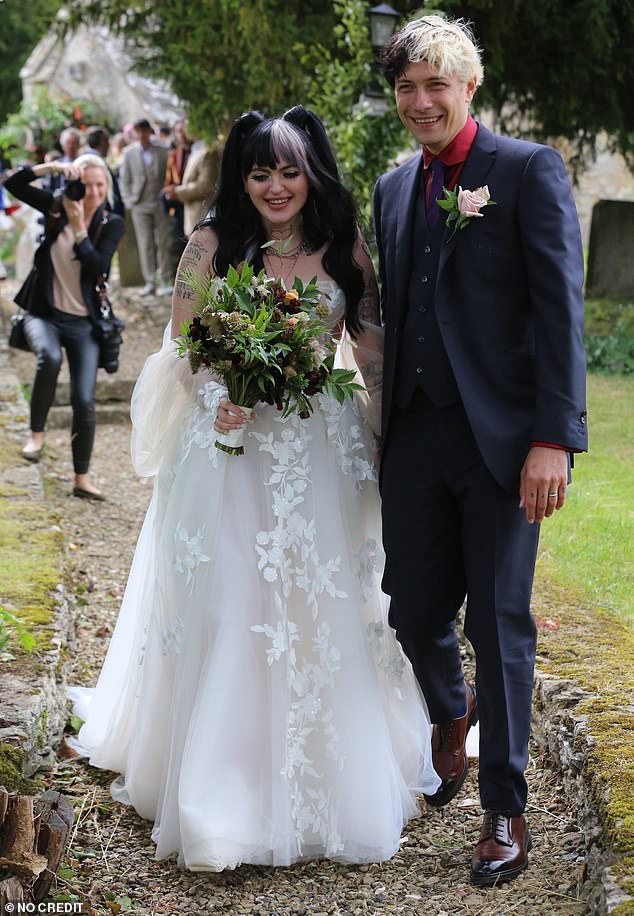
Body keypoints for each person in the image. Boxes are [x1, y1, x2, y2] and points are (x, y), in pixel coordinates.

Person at [68, 106, 441, 872]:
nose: (276, 186)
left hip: (320, 450)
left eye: (291, 170)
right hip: (230, 452)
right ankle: (220, 794)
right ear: (241, 178)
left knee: (323, 605)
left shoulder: (345, 252)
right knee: (234, 604)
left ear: (314, 174)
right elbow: (182, 349)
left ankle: (327, 779)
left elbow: (370, 352)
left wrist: (387, 444)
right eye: (260, 171)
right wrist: (219, 394)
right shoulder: (208, 247)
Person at [374, 15, 588, 886]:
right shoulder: (393, 188)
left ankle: (503, 806)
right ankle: (450, 713)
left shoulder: (526, 170)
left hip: (504, 445)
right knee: (411, 612)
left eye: (437, 86)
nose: (421, 102)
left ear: (469, 89)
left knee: (500, 626)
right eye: (407, 88)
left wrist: (554, 438)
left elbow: (560, 313)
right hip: (414, 438)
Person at [3, 154, 125, 499]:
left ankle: (81, 479)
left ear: (107, 188)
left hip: (84, 324)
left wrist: (80, 229)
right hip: (42, 314)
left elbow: (98, 266)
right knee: (50, 358)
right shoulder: (57, 206)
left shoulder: (110, 223)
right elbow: (12, 184)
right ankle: (36, 435)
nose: (93, 192)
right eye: (86, 185)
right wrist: (52, 169)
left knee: (84, 400)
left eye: (100, 185)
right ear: (75, 185)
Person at [119, 118, 173, 297]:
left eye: (145, 130)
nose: (142, 134)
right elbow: (124, 178)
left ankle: (165, 280)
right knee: (145, 243)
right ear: (135, 133)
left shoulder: (162, 150)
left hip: (159, 202)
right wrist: (129, 200)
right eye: (139, 131)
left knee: (163, 242)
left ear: (150, 131)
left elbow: (170, 173)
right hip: (139, 203)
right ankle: (150, 282)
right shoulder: (128, 153)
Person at [86, 126, 125, 217]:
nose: (109, 145)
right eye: (107, 141)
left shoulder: (88, 158)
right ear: (102, 142)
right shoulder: (95, 162)